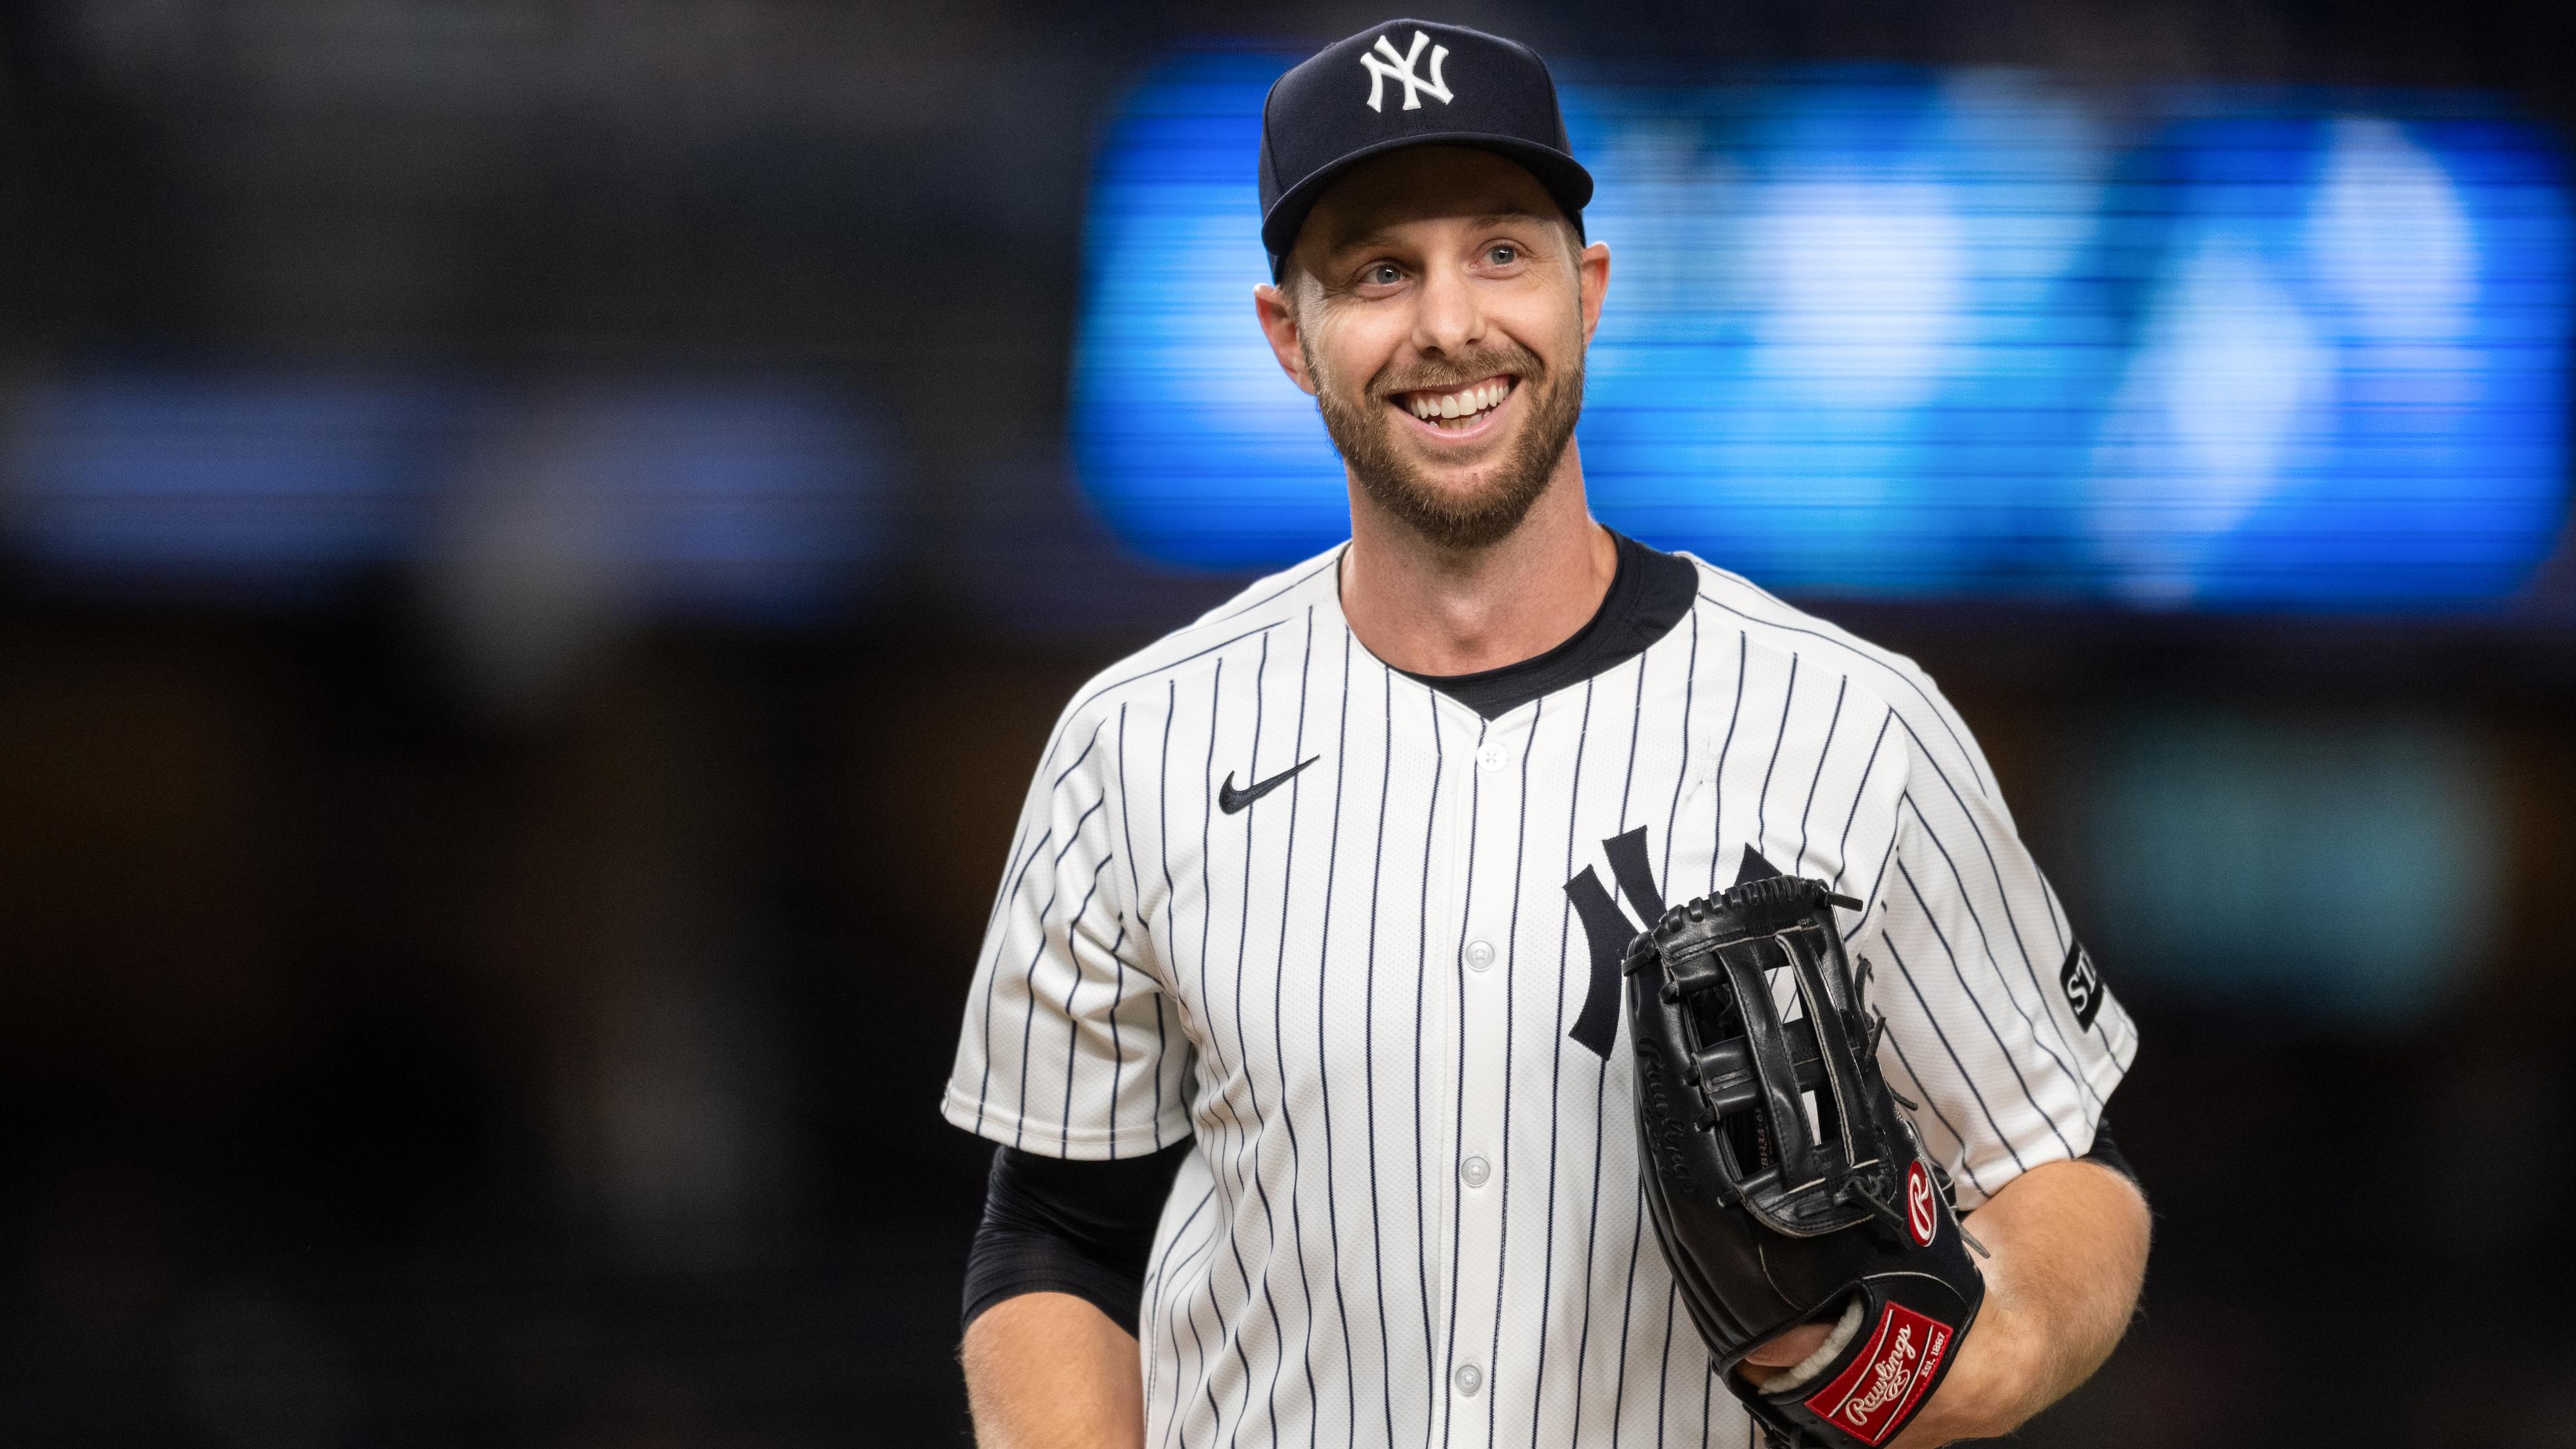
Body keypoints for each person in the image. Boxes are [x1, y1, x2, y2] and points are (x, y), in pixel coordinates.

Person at [944, 19, 2149, 1448]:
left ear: (1587, 291)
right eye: (1379, 270)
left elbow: (2058, 1161)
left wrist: (1971, 1363)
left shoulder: (1854, 724)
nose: (1449, 325)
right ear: (1288, 336)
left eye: (1501, 252)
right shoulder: (1134, 744)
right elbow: (1060, 1235)